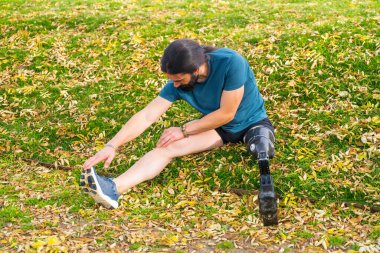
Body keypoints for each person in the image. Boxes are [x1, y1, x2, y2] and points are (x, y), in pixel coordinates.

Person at [81, 39, 278, 226]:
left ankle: (260, 149)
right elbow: (147, 115)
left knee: (262, 147)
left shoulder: (231, 62)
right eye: (171, 80)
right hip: (217, 129)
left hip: (252, 121)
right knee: (167, 147)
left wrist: (184, 130)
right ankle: (113, 188)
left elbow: (227, 113)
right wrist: (112, 145)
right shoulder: (180, 82)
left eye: (178, 79)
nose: (175, 85)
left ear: (196, 69)